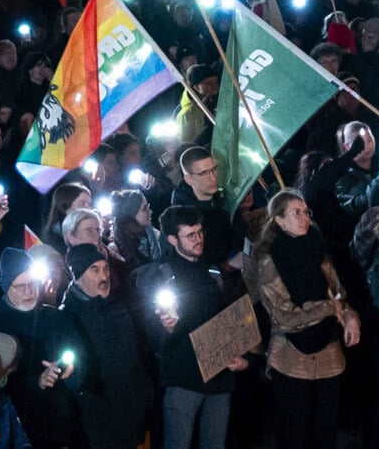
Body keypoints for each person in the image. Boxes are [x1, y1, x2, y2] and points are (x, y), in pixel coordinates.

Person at [256, 190, 361, 449]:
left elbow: (339, 294)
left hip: (329, 355)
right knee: (295, 433)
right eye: (296, 213)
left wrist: (350, 316)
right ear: (279, 221)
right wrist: (327, 308)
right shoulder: (270, 261)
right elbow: (282, 315)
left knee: (325, 433)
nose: (304, 218)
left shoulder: (317, 250)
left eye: (306, 212)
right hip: (291, 357)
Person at [138, 205, 248, 449]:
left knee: (215, 443)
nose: (198, 240)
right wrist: (168, 328)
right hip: (185, 378)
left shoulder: (210, 269)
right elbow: (152, 335)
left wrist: (240, 354)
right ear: (171, 239)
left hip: (219, 374)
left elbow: (226, 319)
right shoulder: (160, 275)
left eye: (200, 232)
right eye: (190, 235)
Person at [0, 247, 87, 448]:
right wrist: (36, 382)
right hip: (19, 429)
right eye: (21, 286)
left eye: (32, 283)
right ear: (6, 286)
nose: (29, 292)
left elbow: (80, 356)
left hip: (62, 424)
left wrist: (72, 369)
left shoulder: (56, 317)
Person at [61, 244, 151, 449]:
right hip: (98, 424)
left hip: (132, 416)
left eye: (106, 268)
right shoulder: (66, 317)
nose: (104, 276)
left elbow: (135, 357)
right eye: (95, 270)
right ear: (78, 276)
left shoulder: (118, 307)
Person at [42, 183, 91, 251]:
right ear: (65, 206)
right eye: (82, 204)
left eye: (89, 204)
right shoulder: (54, 237)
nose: (88, 209)